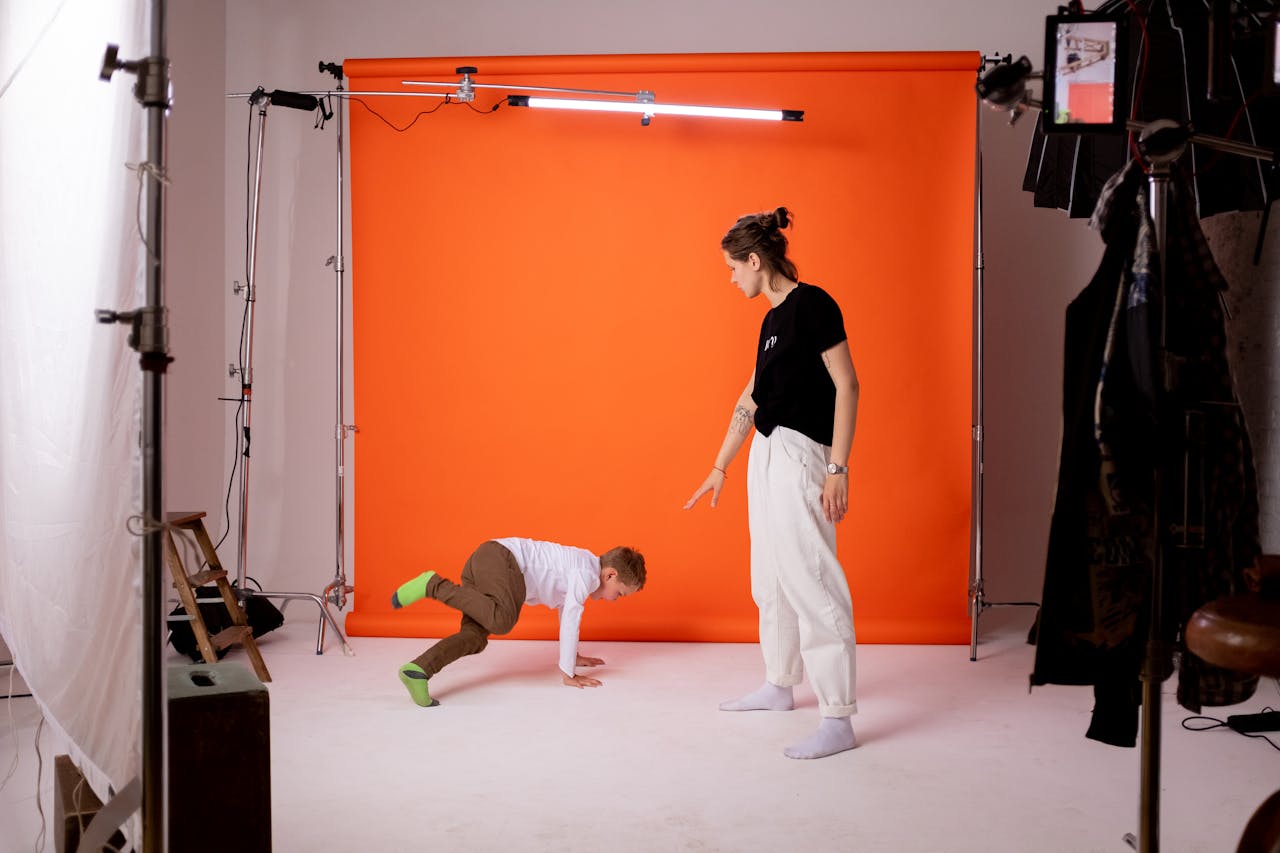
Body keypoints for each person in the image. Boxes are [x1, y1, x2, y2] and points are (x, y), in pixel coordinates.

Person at [684, 206, 860, 760]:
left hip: (803, 454)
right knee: (772, 577)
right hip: (766, 452)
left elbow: (848, 385)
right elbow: (750, 397)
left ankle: (837, 717)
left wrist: (838, 466)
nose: (731, 278)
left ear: (756, 261)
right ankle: (780, 684)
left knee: (812, 579)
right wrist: (720, 467)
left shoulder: (814, 305)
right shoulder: (769, 321)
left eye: (733, 268)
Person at [390, 538, 646, 707]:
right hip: (501, 560)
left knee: (475, 636)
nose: (615, 599)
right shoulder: (588, 573)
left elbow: (563, 610)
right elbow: (571, 618)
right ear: (610, 574)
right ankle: (433, 585)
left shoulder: (580, 568)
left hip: (486, 562)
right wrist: (568, 673)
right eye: (619, 593)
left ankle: (418, 671)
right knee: (502, 620)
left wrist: (574, 656)